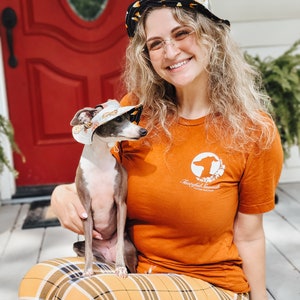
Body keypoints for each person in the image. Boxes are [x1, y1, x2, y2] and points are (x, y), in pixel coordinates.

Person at [19, 0, 283, 299]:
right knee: (38, 280)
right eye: (156, 43)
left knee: (87, 295)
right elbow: (103, 179)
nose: (170, 52)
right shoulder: (136, 113)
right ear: (146, 57)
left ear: (211, 37)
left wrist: (259, 296)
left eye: (182, 33)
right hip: (133, 268)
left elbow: (249, 235)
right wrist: (62, 194)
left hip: (209, 281)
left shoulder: (252, 131)